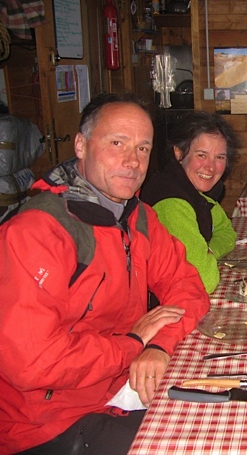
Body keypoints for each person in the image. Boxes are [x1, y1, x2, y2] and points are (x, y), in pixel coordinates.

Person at [0, 93, 210, 455]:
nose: (132, 161)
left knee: (220, 418)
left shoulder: (138, 216)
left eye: (143, 148)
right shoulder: (37, 231)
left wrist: (159, 345)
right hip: (46, 423)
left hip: (120, 388)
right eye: (117, 143)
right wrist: (131, 345)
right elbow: (32, 363)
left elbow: (188, 287)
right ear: (81, 145)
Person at [141, 111, 237, 294]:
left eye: (220, 157)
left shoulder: (195, 193)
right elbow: (201, 281)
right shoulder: (172, 203)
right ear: (179, 153)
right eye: (201, 155)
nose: (210, 167)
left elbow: (227, 232)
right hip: (162, 308)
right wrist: (205, 258)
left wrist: (208, 251)